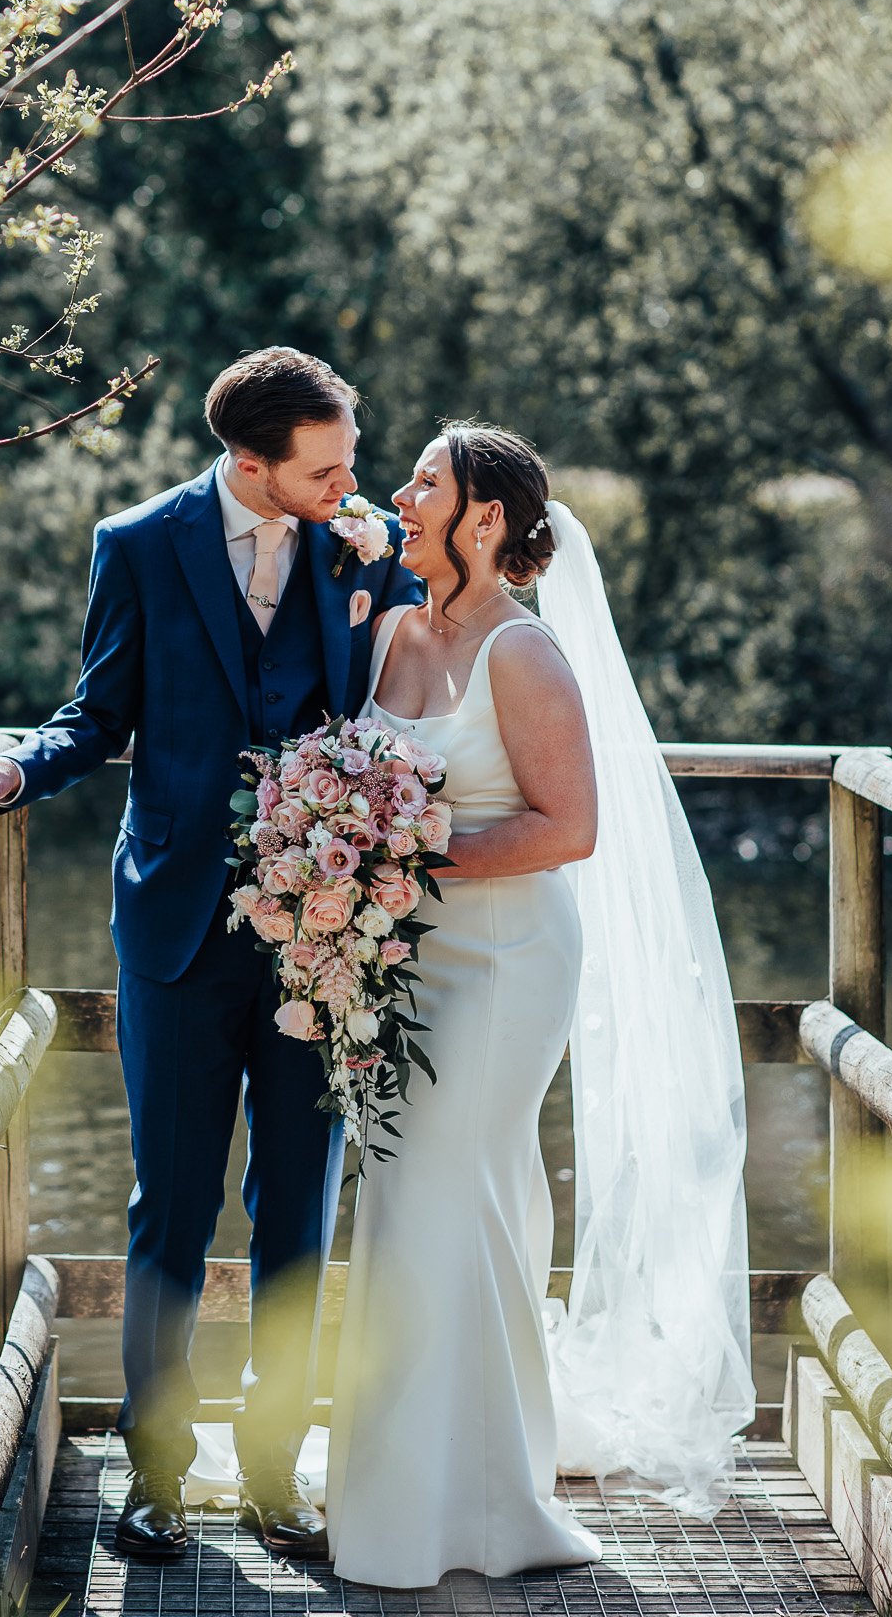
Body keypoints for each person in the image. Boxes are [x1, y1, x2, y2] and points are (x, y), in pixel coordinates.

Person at [0, 348, 422, 1565]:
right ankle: (156, 1472)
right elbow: (98, 713)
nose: (350, 486)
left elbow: (414, 684)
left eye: (350, 464)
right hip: (176, 922)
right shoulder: (141, 543)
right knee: (172, 1208)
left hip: (325, 929)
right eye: (327, 467)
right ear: (251, 462)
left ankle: (274, 1467)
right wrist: (15, 764)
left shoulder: (360, 546)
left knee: (298, 1207)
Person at [324, 423, 754, 1588]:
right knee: (426, 1197)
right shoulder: (393, 629)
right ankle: (413, 1484)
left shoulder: (523, 652)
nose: (401, 494)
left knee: (442, 1188)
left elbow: (571, 828)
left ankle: (480, 1508)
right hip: (403, 961)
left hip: (506, 961)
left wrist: (403, 854)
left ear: (484, 518)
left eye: (426, 481)